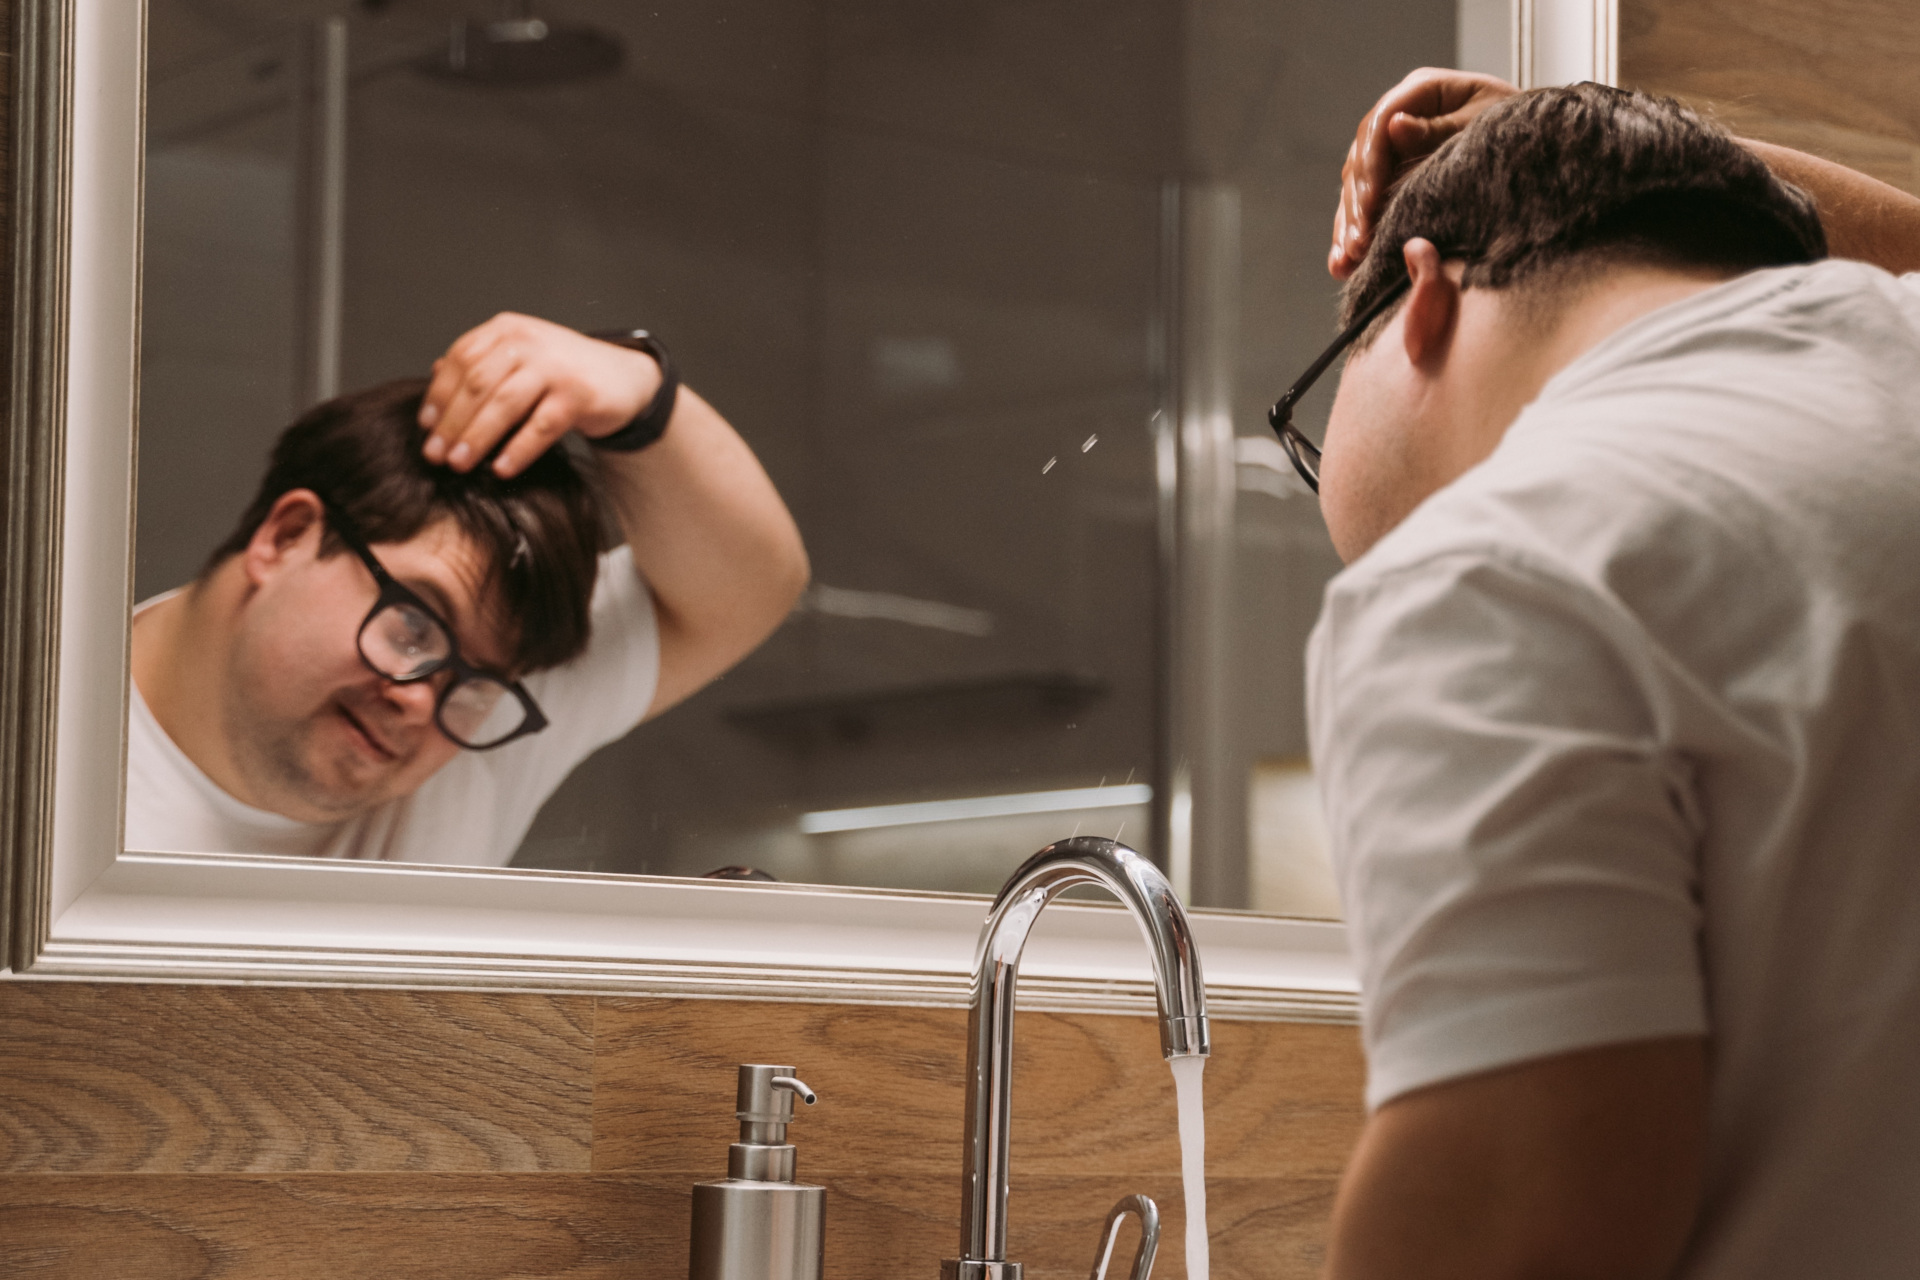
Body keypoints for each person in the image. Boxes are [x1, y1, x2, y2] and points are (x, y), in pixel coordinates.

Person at [1281, 73, 1920, 1278]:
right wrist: (1588, 141)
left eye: (1308, 409)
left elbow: (1522, 1231)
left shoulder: (1485, 567)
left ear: (1421, 296)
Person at [128, 314, 808, 865]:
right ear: (287, 536)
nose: (422, 703)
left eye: (480, 683)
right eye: (414, 627)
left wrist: (635, 391)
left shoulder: (471, 725)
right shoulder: (44, 761)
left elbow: (750, 586)